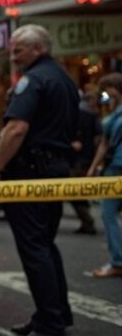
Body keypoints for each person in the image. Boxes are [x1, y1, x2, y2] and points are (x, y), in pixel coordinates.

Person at [0, 24, 77, 336]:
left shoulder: (32, 81)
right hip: (56, 169)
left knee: (34, 246)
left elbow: (16, 128)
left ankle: (50, 322)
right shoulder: (63, 78)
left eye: (19, 49)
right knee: (45, 243)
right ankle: (56, 312)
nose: (12, 55)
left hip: (31, 173)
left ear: (38, 49)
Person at [85, 72, 122, 278]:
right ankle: (117, 259)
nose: (105, 94)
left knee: (109, 214)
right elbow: (104, 144)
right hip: (114, 167)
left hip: (117, 166)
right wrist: (92, 169)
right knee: (108, 213)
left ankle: (118, 261)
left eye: (107, 89)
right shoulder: (112, 113)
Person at [70, 89, 101, 234]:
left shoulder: (75, 114)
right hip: (87, 156)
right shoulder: (92, 115)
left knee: (75, 190)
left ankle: (87, 220)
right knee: (77, 189)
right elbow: (98, 136)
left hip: (78, 158)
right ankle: (86, 220)